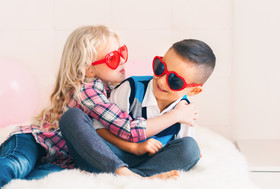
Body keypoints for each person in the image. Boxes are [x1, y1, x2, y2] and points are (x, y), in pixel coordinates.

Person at [0, 25, 196, 189]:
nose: (123, 62)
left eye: (122, 53)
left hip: (62, 158)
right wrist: (174, 116)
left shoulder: (114, 89)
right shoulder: (89, 90)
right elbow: (128, 129)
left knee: (32, 175)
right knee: (19, 162)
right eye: (113, 58)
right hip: (35, 141)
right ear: (88, 70)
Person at [59, 39, 216, 178]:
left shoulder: (186, 111)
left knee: (191, 149)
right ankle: (124, 173)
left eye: (175, 81)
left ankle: (136, 177)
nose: (161, 81)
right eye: (160, 68)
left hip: (146, 162)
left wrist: (190, 154)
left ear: (194, 90)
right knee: (72, 117)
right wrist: (134, 147)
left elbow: (183, 148)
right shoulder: (131, 88)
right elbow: (99, 130)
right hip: (106, 155)